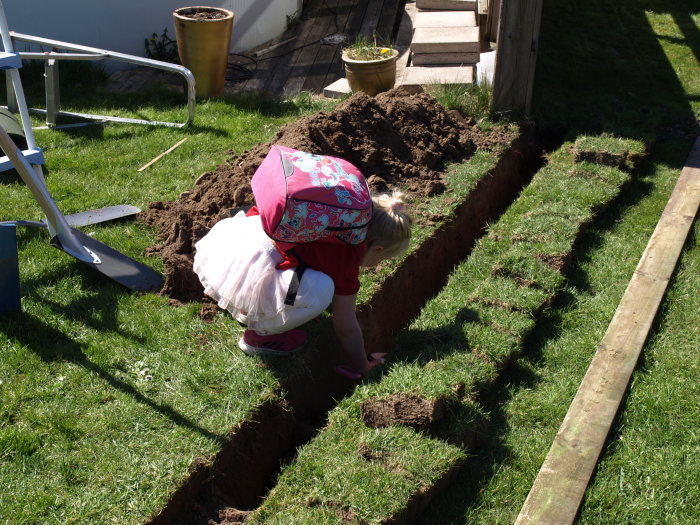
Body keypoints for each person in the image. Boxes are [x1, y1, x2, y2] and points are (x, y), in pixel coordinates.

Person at [192, 191, 412, 378]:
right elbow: (346, 327)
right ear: (378, 250)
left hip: (234, 246)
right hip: (256, 267)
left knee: (307, 279)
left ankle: (247, 304)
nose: (378, 264)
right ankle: (261, 336)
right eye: (383, 260)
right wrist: (363, 365)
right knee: (320, 289)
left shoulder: (334, 220)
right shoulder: (346, 257)